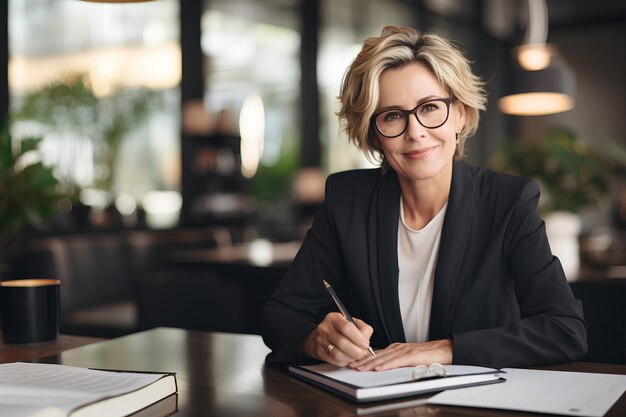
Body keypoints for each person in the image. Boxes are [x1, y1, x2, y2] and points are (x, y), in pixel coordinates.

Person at [260, 26, 587, 371]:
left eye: (430, 107)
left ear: (459, 114)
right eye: (393, 116)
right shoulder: (348, 201)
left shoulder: (508, 203)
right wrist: (319, 340)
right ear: (374, 133)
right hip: (378, 402)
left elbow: (565, 329)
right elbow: (279, 315)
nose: (415, 132)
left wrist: (441, 350)